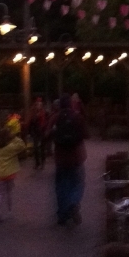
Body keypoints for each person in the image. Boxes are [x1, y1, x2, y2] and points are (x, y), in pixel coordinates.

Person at [48, 92, 88, 226]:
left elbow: (47, 134)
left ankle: (62, 215)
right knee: (78, 183)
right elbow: (86, 134)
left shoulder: (55, 118)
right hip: (76, 157)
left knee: (61, 186)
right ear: (71, 104)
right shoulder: (77, 117)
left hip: (60, 158)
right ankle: (73, 203)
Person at [0, 117, 26, 223]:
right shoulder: (10, 148)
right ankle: (9, 211)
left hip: (0, 174)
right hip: (9, 174)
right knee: (9, 192)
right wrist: (14, 137)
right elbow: (22, 146)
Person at [27, 97, 48, 169]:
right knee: (36, 147)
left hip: (42, 131)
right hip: (36, 131)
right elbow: (30, 122)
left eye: (40, 104)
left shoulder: (43, 112)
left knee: (42, 147)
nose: (38, 106)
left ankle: (42, 163)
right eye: (37, 104)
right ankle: (37, 163)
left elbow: (45, 122)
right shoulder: (33, 113)